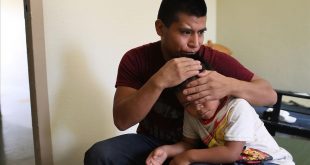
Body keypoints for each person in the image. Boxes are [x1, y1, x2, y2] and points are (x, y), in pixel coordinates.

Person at [84, 0, 277, 164]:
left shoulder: (212, 60)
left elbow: (270, 95)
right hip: (150, 142)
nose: (196, 43)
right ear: (160, 28)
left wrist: (229, 84)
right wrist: (158, 81)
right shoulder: (136, 59)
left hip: (203, 147)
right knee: (100, 155)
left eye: (201, 32)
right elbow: (122, 121)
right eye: (186, 32)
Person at [146, 57, 294, 165]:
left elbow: (231, 153)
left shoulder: (237, 107)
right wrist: (166, 151)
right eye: (188, 104)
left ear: (214, 88)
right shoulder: (191, 114)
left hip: (272, 161)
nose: (198, 108)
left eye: (202, 98)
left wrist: (188, 156)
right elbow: (188, 144)